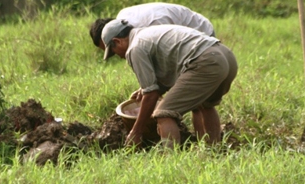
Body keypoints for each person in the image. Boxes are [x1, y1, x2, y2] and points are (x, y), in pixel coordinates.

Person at [101, 19, 238, 149]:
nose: (118, 56)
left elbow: (151, 95)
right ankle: (213, 151)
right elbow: (169, 73)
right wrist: (150, 90)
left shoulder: (134, 48)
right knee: (205, 104)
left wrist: (136, 131)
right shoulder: (148, 33)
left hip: (207, 61)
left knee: (163, 113)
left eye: (113, 52)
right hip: (225, 56)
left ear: (117, 41)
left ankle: (170, 161)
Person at [89, 2, 215, 50]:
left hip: (201, 34)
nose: (115, 53)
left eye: (112, 47)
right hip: (184, 39)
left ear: (116, 38)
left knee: (195, 97)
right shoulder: (123, 18)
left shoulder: (151, 29)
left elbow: (169, 59)